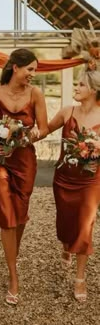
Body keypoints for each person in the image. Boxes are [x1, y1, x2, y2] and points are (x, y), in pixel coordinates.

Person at [0, 48, 48, 305]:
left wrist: (24, 136)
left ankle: (13, 253)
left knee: (20, 215)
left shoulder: (36, 94)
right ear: (15, 68)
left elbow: (43, 128)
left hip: (25, 161)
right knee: (7, 216)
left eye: (35, 69)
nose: (33, 74)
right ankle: (13, 275)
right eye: (30, 69)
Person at [48, 68, 100, 302]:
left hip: (91, 181)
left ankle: (80, 278)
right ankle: (66, 243)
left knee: (85, 224)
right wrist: (14, 137)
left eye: (80, 85)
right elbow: (43, 131)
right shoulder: (67, 112)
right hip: (63, 179)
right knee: (65, 221)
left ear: (94, 90)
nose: (76, 88)